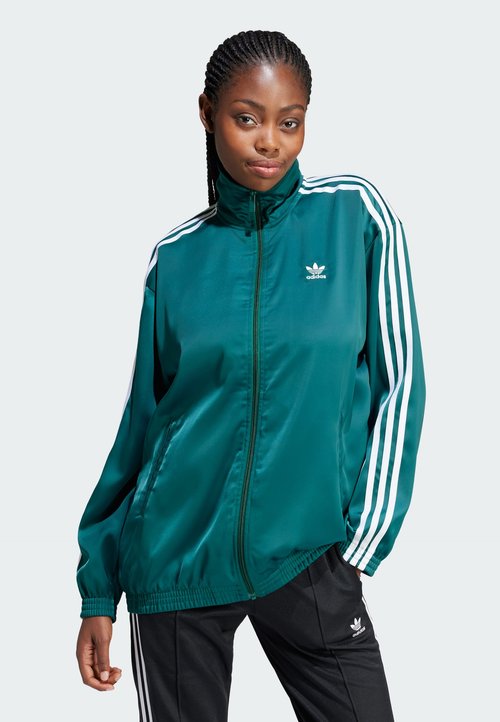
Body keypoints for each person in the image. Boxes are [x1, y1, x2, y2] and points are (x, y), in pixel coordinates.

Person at [75, 29, 426, 721]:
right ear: (207, 114)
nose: (269, 142)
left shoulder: (355, 215)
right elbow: (143, 427)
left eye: (289, 122)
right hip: (175, 564)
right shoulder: (177, 256)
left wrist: (361, 542)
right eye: (247, 118)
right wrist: (98, 588)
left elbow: (402, 381)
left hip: (309, 555)